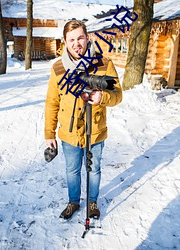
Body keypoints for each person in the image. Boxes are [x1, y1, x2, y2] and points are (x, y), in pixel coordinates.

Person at [44, 20, 122, 220]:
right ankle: (73, 202)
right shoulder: (58, 68)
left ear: (87, 38)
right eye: (72, 39)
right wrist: (49, 134)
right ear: (65, 42)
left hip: (95, 130)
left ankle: (93, 202)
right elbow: (52, 102)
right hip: (69, 133)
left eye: (80, 38)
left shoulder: (104, 64)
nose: (76, 43)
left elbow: (118, 95)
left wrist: (102, 97)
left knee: (94, 168)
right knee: (72, 170)